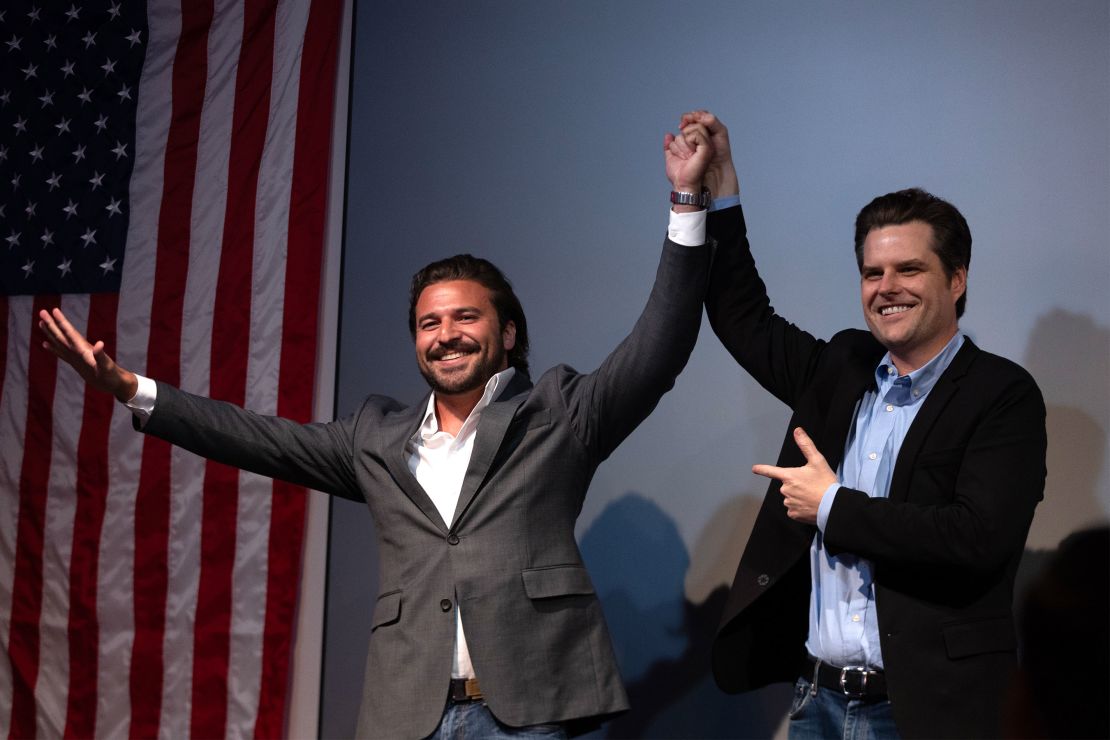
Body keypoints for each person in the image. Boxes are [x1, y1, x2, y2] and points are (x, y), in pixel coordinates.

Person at [37, 123, 715, 739]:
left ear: (507, 333)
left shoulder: (560, 412)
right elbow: (254, 437)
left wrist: (686, 206)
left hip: (535, 715)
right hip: (407, 719)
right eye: (429, 324)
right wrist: (131, 389)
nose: (446, 335)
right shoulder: (375, 438)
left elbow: (658, 345)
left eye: (465, 319)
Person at [684, 110, 1047, 738]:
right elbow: (742, 315)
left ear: (956, 281)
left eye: (909, 270)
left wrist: (832, 507)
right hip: (816, 701)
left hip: (929, 711)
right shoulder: (840, 366)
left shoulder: (1002, 395)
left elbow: (975, 538)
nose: (887, 287)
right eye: (872, 272)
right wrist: (716, 192)